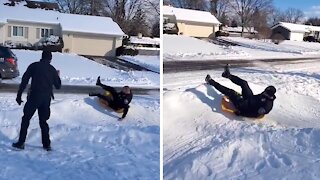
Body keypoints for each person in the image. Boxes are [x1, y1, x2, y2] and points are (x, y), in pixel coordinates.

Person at [13, 50, 61, 151]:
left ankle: (21, 142)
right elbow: (58, 86)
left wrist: (19, 94)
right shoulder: (52, 69)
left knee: (26, 119)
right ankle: (46, 145)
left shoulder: (34, 66)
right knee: (43, 121)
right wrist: (57, 76)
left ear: (41, 57)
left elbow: (25, 80)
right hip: (46, 99)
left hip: (34, 96)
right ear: (50, 59)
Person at [205, 64, 276, 118]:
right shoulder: (265, 94)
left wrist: (241, 113)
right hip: (249, 98)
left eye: (266, 92)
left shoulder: (267, 106)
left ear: (270, 95)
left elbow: (255, 114)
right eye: (265, 91)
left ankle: (211, 81)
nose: (264, 92)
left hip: (244, 106)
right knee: (244, 84)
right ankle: (228, 75)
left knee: (231, 92)